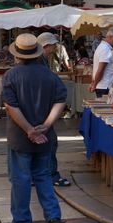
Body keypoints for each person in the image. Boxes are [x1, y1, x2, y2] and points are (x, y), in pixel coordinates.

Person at [0, 33, 68, 223]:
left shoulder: (11, 76)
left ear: (17, 54)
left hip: (20, 137)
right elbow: (60, 101)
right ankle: (54, 216)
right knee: (43, 176)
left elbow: (11, 107)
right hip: (45, 137)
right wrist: (45, 126)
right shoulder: (50, 76)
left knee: (20, 179)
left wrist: (29, 130)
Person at [37, 32, 72, 187]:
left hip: (38, 108)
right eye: (52, 46)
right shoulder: (40, 62)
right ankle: (52, 176)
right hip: (42, 109)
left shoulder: (36, 61)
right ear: (45, 46)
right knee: (50, 142)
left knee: (43, 143)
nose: (53, 48)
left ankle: (37, 175)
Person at [89, 28, 113, 97]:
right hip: (105, 86)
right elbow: (100, 70)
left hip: (103, 85)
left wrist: (93, 83)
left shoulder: (103, 47)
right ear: (111, 37)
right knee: (105, 107)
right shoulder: (105, 49)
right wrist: (94, 84)